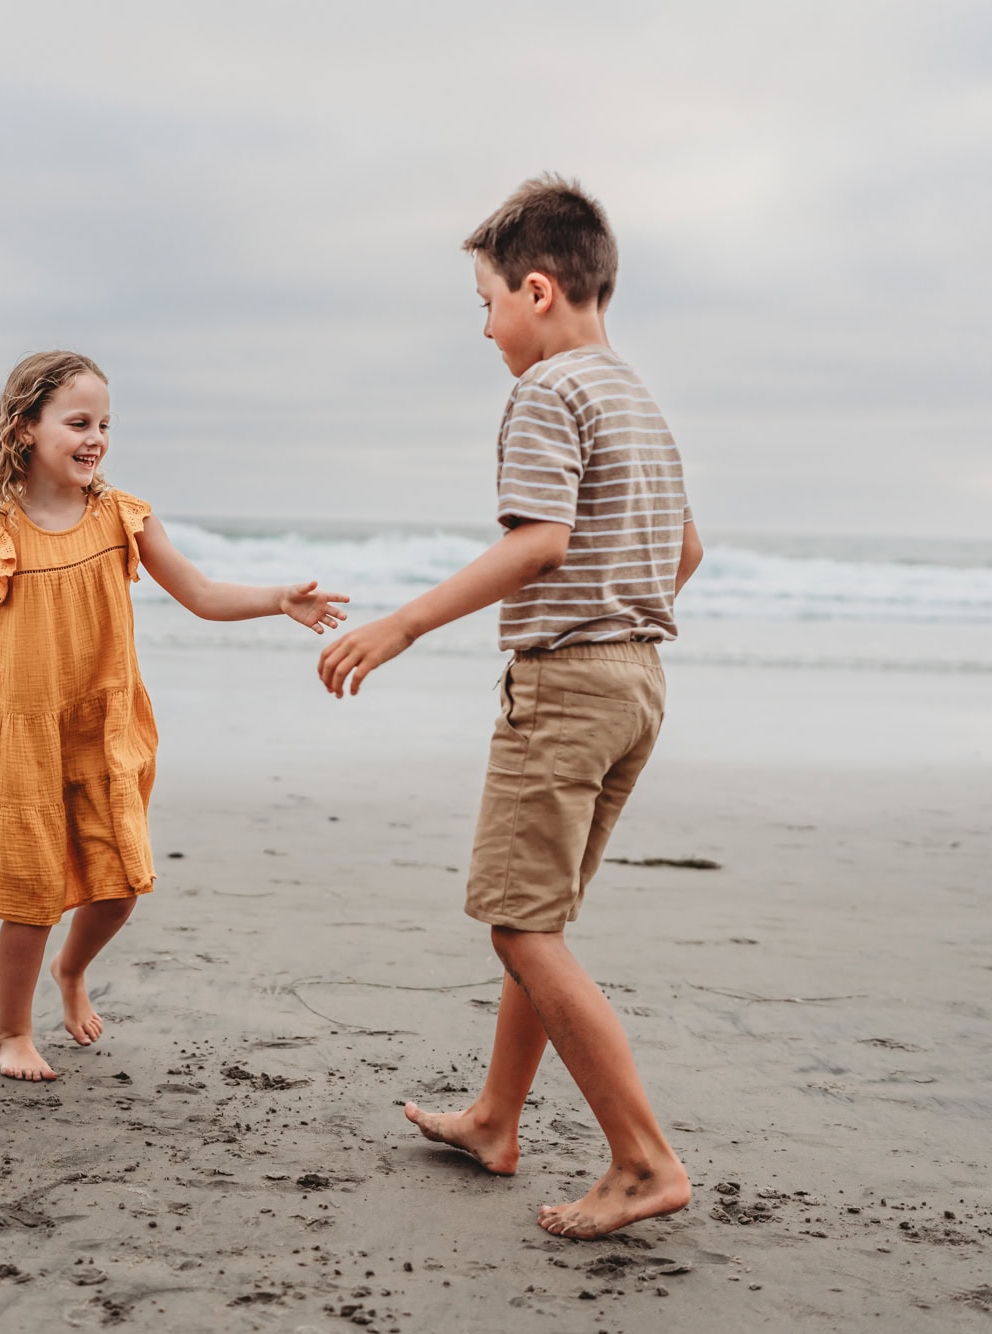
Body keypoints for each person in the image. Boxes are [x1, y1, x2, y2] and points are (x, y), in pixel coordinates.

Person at [316, 176, 705, 1238]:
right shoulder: (635, 395)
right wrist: (620, 615)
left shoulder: (546, 391)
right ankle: (495, 1115)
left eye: (485, 303)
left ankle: (641, 1158)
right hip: (637, 682)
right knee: (539, 920)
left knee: (520, 924)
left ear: (535, 290)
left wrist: (399, 625)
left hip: (570, 684)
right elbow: (686, 552)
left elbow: (538, 541)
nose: (485, 327)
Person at [0, 350, 348, 1081]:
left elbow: (201, 591)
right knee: (32, 895)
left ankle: (72, 969)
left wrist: (278, 597)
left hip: (103, 725)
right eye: (78, 422)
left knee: (119, 888)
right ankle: (10, 1033)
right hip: (26, 731)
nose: (96, 438)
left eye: (105, 425)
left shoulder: (123, 517)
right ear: (25, 428)